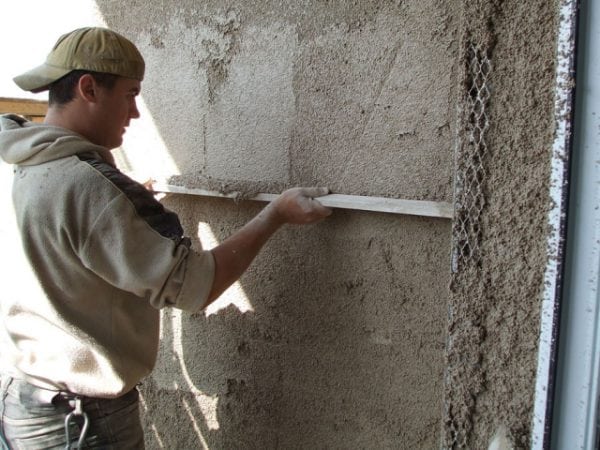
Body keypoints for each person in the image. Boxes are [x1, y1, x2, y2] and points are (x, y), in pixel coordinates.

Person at [0, 27, 331, 449]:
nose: (135, 113)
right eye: (130, 94)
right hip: (80, 424)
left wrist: (119, 210)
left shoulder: (22, 162)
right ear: (88, 88)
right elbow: (196, 286)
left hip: (22, 402)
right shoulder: (91, 188)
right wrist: (275, 215)